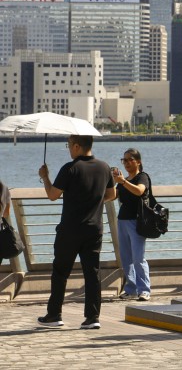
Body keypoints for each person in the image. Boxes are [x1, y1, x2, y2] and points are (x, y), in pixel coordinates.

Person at [36, 135, 116, 329]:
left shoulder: (70, 168)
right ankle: (92, 318)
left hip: (70, 229)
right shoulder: (104, 167)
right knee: (92, 273)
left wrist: (45, 177)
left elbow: (52, 195)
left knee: (60, 272)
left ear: (78, 146)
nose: (69, 149)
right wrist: (94, 202)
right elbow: (112, 195)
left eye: (69, 145)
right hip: (94, 229)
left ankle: (54, 315)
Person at [112, 148, 152, 301]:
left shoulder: (142, 177)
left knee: (138, 257)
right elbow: (113, 196)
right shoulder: (124, 180)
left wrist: (123, 181)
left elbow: (139, 191)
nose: (127, 163)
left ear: (138, 161)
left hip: (137, 221)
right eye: (124, 160)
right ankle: (131, 289)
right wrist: (111, 181)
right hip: (122, 221)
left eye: (130, 160)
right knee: (126, 258)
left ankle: (144, 289)